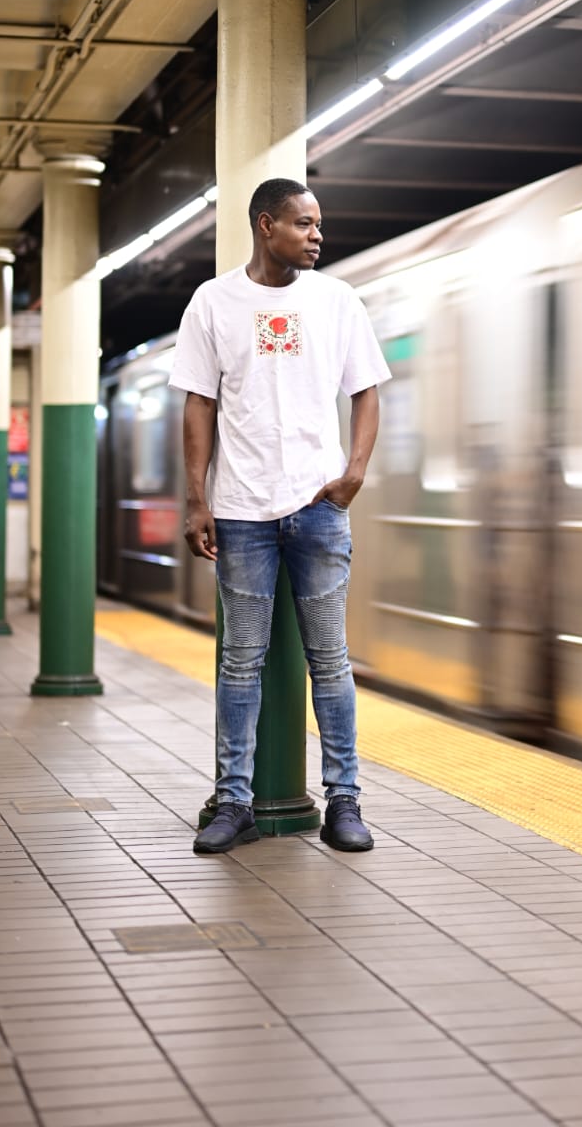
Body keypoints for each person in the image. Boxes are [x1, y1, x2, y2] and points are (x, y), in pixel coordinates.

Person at [168, 177, 391, 856]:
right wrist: (198, 498)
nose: (317, 234)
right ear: (267, 226)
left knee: (331, 661)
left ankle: (344, 801)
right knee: (240, 663)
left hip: (319, 509)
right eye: (303, 223)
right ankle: (234, 803)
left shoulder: (336, 300)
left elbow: (367, 391)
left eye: (318, 223)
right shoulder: (214, 302)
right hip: (240, 514)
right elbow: (198, 405)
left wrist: (355, 471)